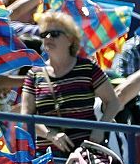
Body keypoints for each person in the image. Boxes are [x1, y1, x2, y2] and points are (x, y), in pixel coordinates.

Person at [18, 10, 122, 154]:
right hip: (49, 156)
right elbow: (26, 117)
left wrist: (100, 128)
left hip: (85, 154)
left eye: (54, 34)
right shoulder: (34, 74)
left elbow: (113, 102)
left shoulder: (87, 68)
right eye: (44, 34)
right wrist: (51, 135)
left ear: (70, 39)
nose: (48, 37)